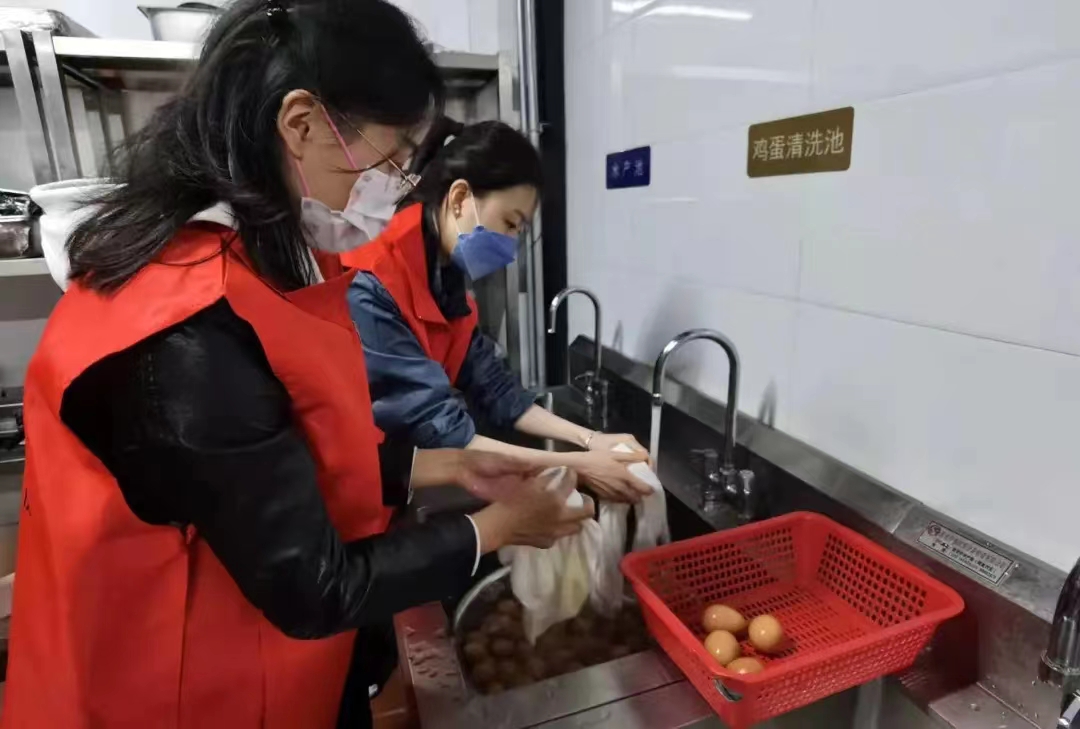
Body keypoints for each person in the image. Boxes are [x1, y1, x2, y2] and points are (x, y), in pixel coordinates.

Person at [1, 2, 592, 728]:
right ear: (302, 124)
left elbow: (283, 462)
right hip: (170, 697)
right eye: (391, 159)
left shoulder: (252, 266)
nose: (397, 186)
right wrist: (498, 526)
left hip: (257, 668)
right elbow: (313, 587)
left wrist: (447, 467)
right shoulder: (185, 328)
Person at [342, 119, 652, 503]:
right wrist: (579, 465)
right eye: (510, 223)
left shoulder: (446, 281)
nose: (510, 246)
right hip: (363, 494)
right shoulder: (371, 281)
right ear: (460, 199)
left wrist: (590, 439)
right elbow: (441, 430)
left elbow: (496, 389)